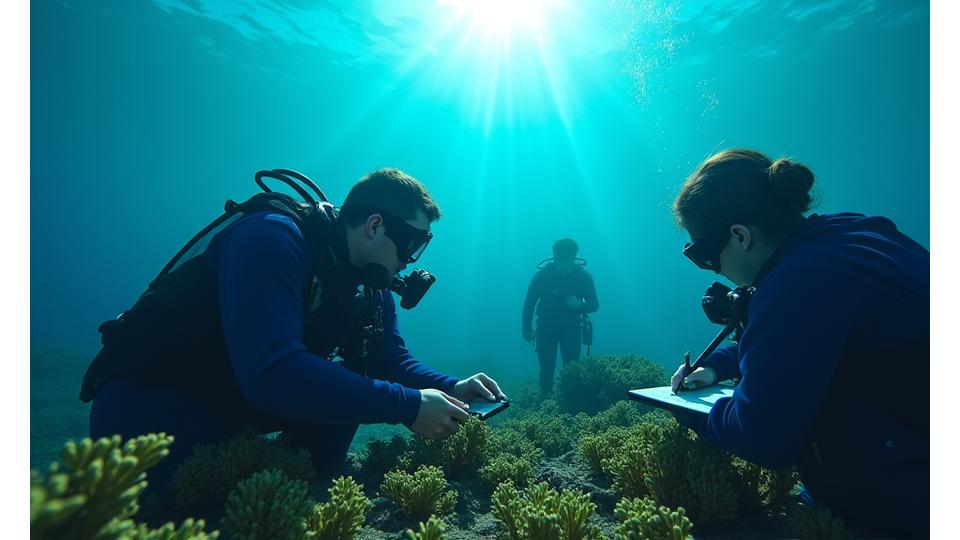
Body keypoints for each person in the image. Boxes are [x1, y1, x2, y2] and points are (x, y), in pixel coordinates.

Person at [79, 167, 507, 492]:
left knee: (348, 396)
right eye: (412, 244)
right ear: (375, 225)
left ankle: (282, 489)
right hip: (150, 404)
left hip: (232, 399)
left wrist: (451, 387)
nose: (411, 261)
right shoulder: (272, 237)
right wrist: (409, 406)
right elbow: (274, 373)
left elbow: (389, 359)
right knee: (186, 502)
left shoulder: (368, 282)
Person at [670, 149, 929, 538]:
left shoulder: (795, 281)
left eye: (703, 254)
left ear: (740, 236)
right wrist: (717, 366)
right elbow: (807, 336)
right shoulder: (854, 232)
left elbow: (763, 437)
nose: (711, 268)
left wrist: (690, 412)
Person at [522, 238, 599, 398]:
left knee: (571, 369)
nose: (563, 263)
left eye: (566, 258)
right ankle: (545, 401)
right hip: (546, 328)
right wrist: (526, 329)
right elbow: (529, 304)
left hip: (571, 329)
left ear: (573, 257)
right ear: (554, 256)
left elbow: (594, 304)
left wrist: (579, 305)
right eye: (560, 258)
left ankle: (570, 402)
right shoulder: (542, 277)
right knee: (546, 369)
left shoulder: (583, 277)